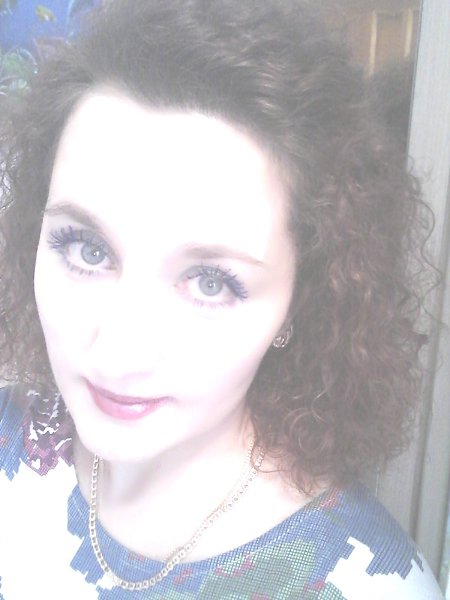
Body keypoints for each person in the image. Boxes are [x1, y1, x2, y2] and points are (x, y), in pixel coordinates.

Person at [0, 1, 444, 598]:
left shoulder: (370, 584)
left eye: (210, 282)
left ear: (301, 301)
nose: (119, 352)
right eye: (87, 249)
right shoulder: (11, 435)